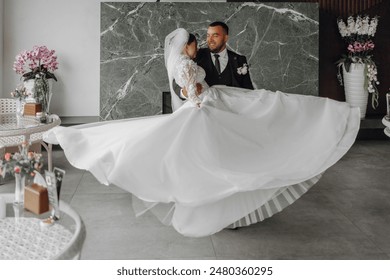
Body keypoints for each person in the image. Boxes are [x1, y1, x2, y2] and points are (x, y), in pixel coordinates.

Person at [44, 28, 360, 238]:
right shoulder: (183, 63)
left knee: (233, 145)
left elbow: (191, 88)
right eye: (196, 43)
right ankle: (226, 208)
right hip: (203, 109)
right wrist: (203, 98)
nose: (200, 47)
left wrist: (205, 93)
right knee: (226, 152)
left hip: (208, 102)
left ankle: (229, 210)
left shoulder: (182, 60)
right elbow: (190, 92)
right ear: (187, 45)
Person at [178, 21, 253, 104]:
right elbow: (179, 87)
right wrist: (185, 92)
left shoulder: (239, 60)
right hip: (206, 109)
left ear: (225, 38)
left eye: (215, 35)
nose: (210, 40)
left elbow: (249, 90)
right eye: (208, 35)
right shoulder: (196, 56)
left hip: (234, 108)